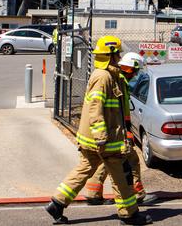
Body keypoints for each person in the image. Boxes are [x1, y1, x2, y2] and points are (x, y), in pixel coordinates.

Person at [45, 36, 152, 225]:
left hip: (93, 139)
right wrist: (101, 137)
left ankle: (57, 203)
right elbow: (95, 108)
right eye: (117, 54)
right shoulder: (103, 77)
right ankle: (129, 215)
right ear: (110, 55)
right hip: (105, 139)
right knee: (122, 175)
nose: (119, 57)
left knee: (84, 168)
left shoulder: (109, 75)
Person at [85, 52, 157, 206]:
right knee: (131, 160)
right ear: (132, 69)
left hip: (112, 128)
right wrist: (127, 131)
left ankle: (93, 192)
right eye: (135, 71)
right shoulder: (120, 80)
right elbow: (116, 109)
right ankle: (137, 194)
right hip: (115, 128)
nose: (136, 75)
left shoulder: (117, 78)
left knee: (107, 162)